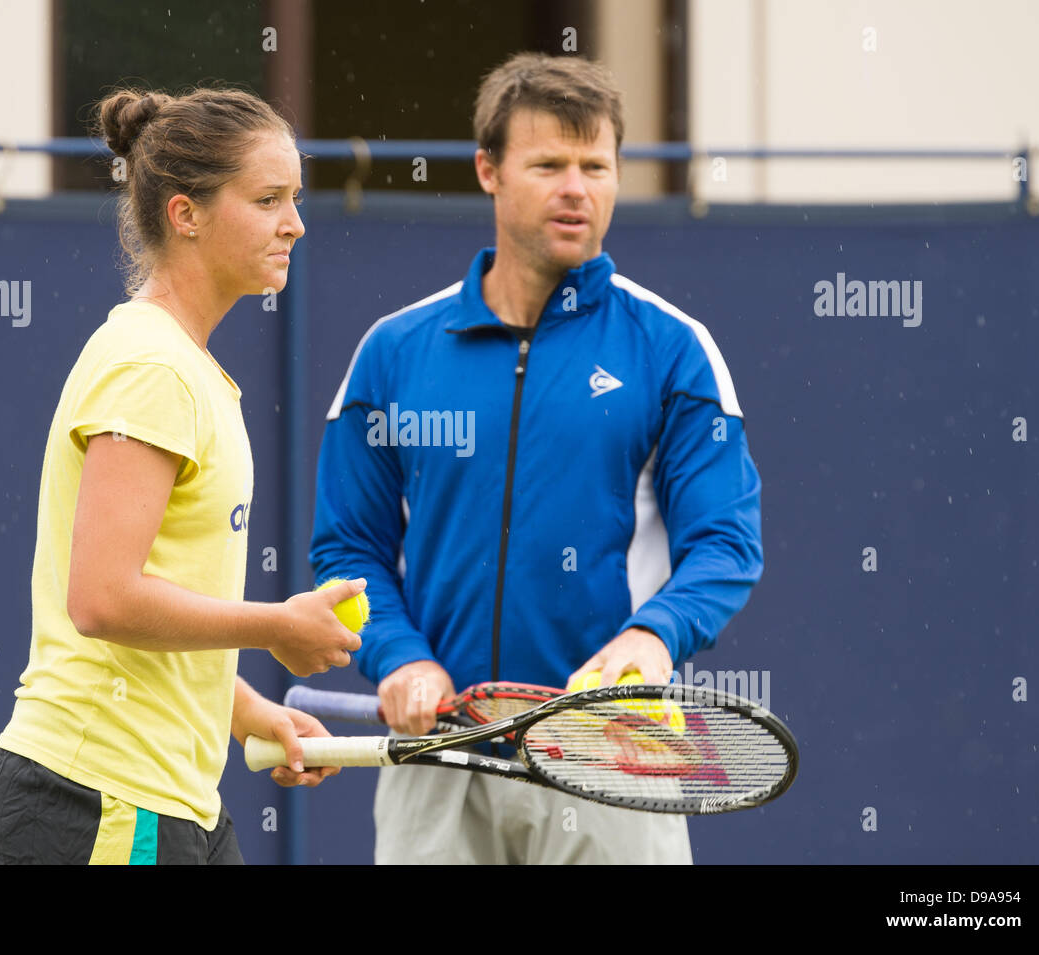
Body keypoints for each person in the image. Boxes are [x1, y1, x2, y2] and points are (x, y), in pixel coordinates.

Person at [309, 53, 764, 864]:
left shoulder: (675, 351)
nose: (577, 189)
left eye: (597, 166)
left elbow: (727, 545)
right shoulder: (392, 353)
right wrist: (398, 655)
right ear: (488, 170)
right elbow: (347, 550)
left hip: (612, 750)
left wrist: (655, 638)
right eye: (549, 164)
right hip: (439, 757)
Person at [0, 85, 363, 865]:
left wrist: (255, 712)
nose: (295, 222)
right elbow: (103, 598)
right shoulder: (152, 367)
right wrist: (276, 628)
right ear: (185, 214)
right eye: (267, 200)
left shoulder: (183, 367)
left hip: (164, 804)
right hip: (103, 800)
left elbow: (151, 615)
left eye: (294, 198)